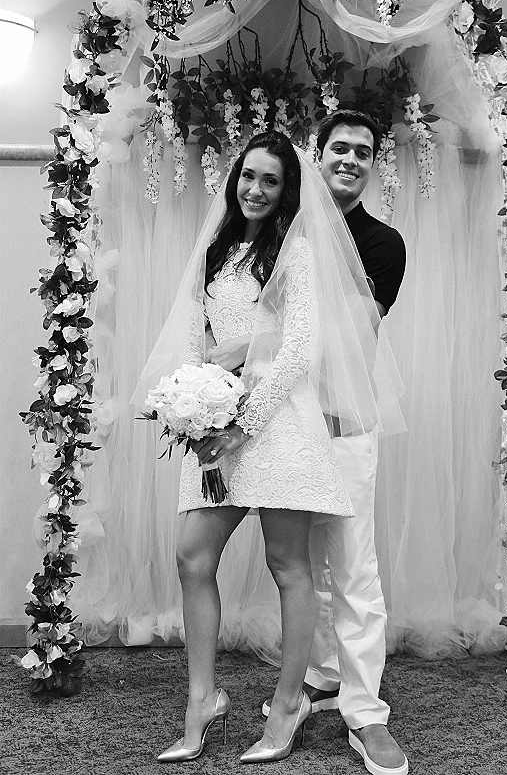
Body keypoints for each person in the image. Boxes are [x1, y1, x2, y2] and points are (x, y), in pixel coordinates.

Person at [137, 130, 390, 764]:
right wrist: (195, 407)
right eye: (248, 176)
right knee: (193, 557)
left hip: (277, 423)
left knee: (290, 566)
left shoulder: (298, 253)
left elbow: (300, 351)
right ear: (235, 178)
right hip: (216, 423)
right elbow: (197, 337)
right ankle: (202, 699)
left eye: (270, 181)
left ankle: (287, 704)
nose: (255, 189)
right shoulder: (214, 251)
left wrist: (241, 421)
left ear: (287, 191)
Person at [264, 110, 408, 775]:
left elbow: (345, 337)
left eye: (363, 151)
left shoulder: (382, 243)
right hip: (280, 426)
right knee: (302, 569)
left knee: (354, 572)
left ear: (373, 163)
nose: (350, 159)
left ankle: (366, 716)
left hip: (344, 423)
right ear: (315, 156)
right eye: (339, 148)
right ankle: (322, 671)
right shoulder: (275, 229)